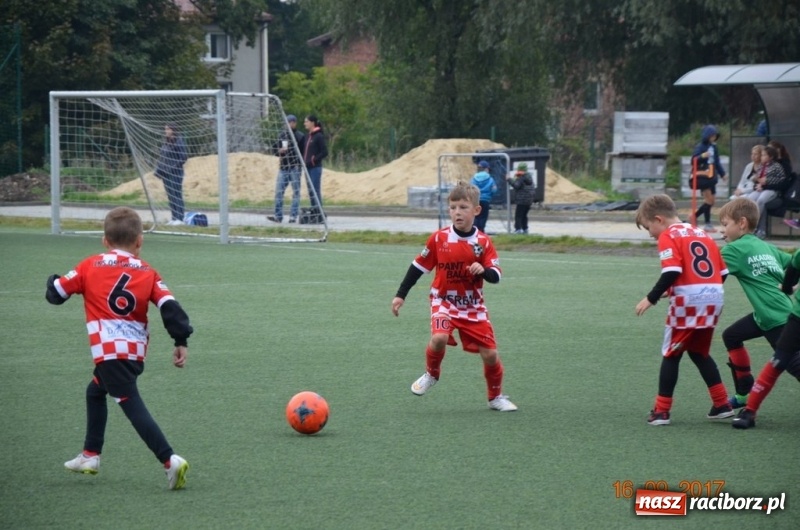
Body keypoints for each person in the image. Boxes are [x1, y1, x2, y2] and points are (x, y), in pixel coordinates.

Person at [45, 206, 193, 489]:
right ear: (139, 241)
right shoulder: (148, 272)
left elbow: (56, 294)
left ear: (104, 240)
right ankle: (90, 454)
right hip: (134, 353)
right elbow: (170, 307)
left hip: (109, 352)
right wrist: (180, 340)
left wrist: (52, 279)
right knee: (95, 391)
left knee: (130, 404)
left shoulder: (90, 265)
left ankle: (169, 460)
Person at [391, 182, 517, 412]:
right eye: (453, 207)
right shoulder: (439, 239)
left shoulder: (483, 242)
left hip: (473, 307)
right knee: (439, 337)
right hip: (443, 301)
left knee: (490, 355)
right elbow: (418, 267)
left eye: (463, 207)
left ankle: (495, 397)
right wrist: (401, 295)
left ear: (476, 211)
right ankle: (431, 374)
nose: (457, 212)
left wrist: (484, 271)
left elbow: (496, 275)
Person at [634, 194, 733, 425]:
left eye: (649, 227)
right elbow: (723, 273)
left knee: (671, 354)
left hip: (688, 302)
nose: (650, 234)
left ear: (658, 219)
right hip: (714, 297)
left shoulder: (668, 236)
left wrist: (651, 298)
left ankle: (661, 411)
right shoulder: (701, 233)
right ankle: (721, 404)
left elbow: (671, 271)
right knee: (699, 352)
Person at [717, 198, 792, 410]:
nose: (722, 231)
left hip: (774, 318)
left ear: (741, 223)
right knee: (732, 336)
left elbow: (707, 273)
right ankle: (744, 392)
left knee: (792, 364)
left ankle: (745, 395)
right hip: (771, 313)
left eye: (725, 225)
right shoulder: (765, 246)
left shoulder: (733, 250)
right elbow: (794, 263)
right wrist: (792, 285)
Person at [732, 248, 800, 429]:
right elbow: (793, 268)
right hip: (797, 317)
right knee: (779, 360)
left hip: (785, 316)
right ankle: (749, 411)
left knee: (782, 361)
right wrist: (788, 287)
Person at [268, 115, 305, 224]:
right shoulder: (282, 135)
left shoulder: (300, 136)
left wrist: (299, 161)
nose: (289, 124)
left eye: (291, 122)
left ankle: (293, 216)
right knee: (279, 192)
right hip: (283, 167)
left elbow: (303, 153)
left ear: (294, 123)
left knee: (296, 193)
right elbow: (274, 150)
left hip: (295, 167)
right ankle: (278, 216)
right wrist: (280, 151)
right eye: (287, 122)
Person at [691, 125, 727, 232]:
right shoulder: (700, 146)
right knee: (709, 200)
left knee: (712, 201)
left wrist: (722, 174)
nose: (713, 138)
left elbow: (717, 161)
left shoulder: (714, 147)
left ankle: (695, 217)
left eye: (715, 136)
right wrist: (702, 156)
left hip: (712, 176)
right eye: (712, 136)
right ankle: (707, 223)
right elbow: (694, 159)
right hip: (704, 176)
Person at [747, 145, 788, 238]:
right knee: (750, 199)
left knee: (761, 201)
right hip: (760, 188)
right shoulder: (761, 166)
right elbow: (757, 178)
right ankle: (750, 224)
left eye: (764, 155)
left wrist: (767, 181)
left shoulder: (777, 166)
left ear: (771, 157)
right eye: (762, 155)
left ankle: (755, 224)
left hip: (772, 190)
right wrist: (756, 182)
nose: (762, 157)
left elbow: (781, 180)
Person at [154, 124, 188, 226]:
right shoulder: (166, 143)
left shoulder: (179, 141)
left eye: (168, 129)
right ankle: (174, 218)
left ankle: (180, 218)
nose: (166, 131)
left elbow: (183, 157)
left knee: (176, 194)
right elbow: (163, 157)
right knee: (170, 195)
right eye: (165, 129)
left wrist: (172, 167)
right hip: (166, 174)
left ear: (173, 130)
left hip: (176, 173)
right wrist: (159, 170)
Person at [302, 114, 328, 222]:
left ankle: (319, 212)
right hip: (307, 168)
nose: (305, 123)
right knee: (310, 191)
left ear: (312, 123)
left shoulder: (318, 136)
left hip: (315, 168)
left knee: (315, 190)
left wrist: (314, 159)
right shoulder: (308, 136)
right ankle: (314, 211)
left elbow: (325, 152)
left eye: (306, 121)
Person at [508, 162, 535, 234]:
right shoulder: (529, 177)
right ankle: (525, 229)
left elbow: (516, 186)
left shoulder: (522, 177)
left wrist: (509, 179)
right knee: (524, 215)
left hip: (521, 200)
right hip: (529, 200)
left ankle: (518, 229)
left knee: (518, 216)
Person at [470, 160, 496, 232]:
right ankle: (481, 230)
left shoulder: (474, 178)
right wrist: (490, 195)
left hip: (476, 200)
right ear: (486, 169)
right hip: (486, 200)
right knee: (483, 216)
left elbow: (470, 188)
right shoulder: (490, 179)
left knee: (476, 215)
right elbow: (494, 189)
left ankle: (474, 230)